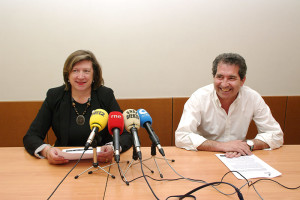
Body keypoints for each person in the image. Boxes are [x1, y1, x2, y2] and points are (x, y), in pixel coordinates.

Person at [23, 50, 132, 164]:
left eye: (86, 71)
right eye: (75, 71)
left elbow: (125, 135)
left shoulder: (105, 95)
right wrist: (47, 151)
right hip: (63, 162)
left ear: (94, 74)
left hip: (101, 163)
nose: (80, 76)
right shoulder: (55, 96)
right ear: (67, 74)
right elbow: (31, 136)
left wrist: (112, 148)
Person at [175, 53, 283, 158]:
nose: (224, 84)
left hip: (239, 157)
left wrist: (247, 145)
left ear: (242, 80)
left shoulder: (252, 97)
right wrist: (223, 146)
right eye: (220, 77)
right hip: (205, 156)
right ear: (214, 77)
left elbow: (276, 135)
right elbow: (181, 136)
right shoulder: (199, 97)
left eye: (231, 78)